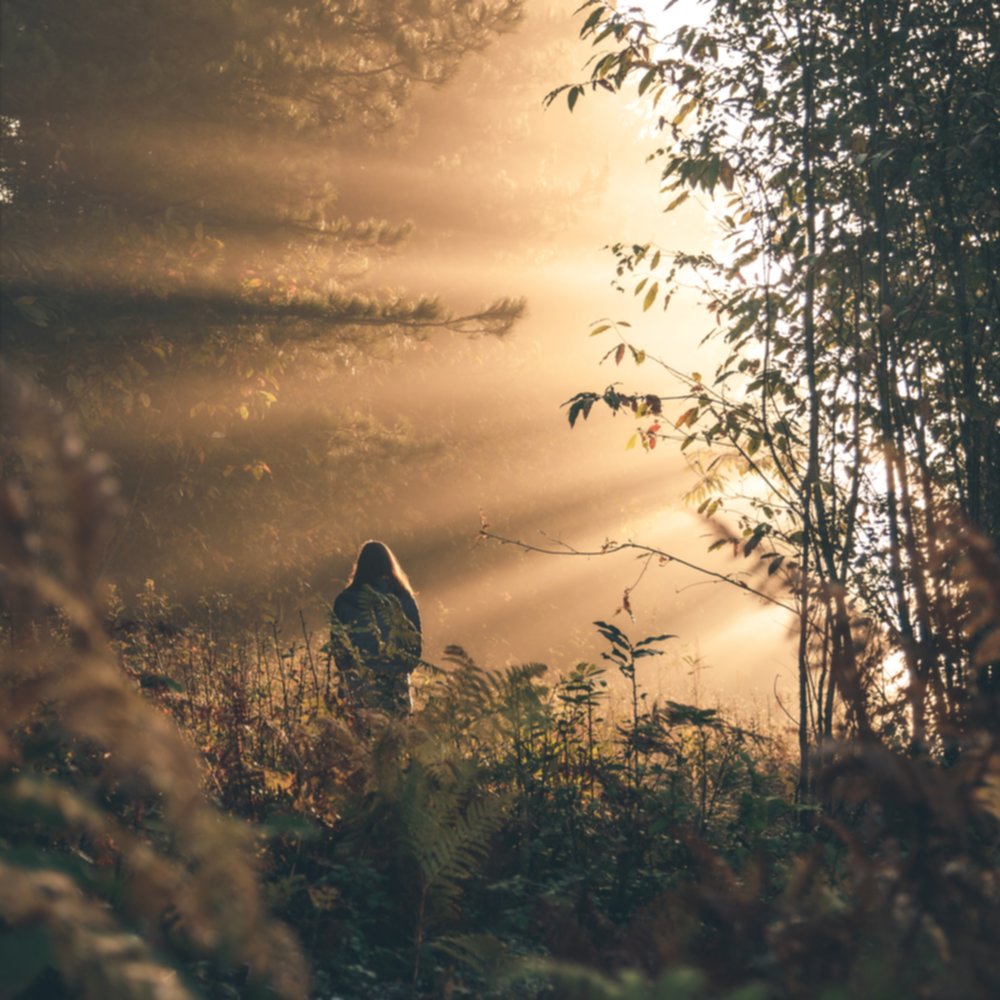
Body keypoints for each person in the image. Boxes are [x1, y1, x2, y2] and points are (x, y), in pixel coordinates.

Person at [330, 540, 421, 714]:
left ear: (360, 566)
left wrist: (350, 673)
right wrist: (399, 671)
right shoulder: (404, 599)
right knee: (394, 737)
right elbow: (415, 646)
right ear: (390, 565)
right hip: (395, 688)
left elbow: (338, 647)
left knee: (357, 738)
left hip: (357, 688)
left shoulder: (344, 600)